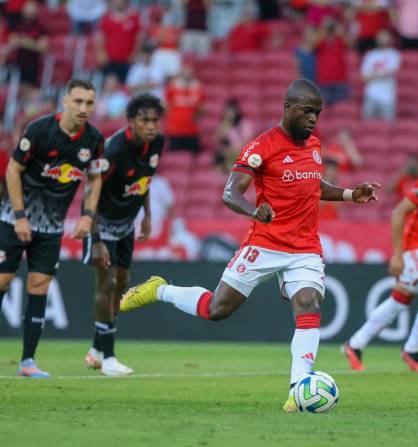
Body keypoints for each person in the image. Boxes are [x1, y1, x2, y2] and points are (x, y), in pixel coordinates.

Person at [119, 79, 380, 410]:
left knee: (309, 303)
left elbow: (313, 184)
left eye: (317, 113)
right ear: (288, 108)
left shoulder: (314, 145)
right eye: (307, 111)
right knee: (217, 309)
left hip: (304, 248)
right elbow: (230, 192)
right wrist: (254, 211)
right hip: (265, 243)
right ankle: (160, 290)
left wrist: (350, 194)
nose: (313, 119)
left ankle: (298, 389)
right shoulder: (262, 147)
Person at [0, 79, 104, 378]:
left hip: (51, 226)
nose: (84, 108)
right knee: (2, 281)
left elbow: (95, 178)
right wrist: (20, 215)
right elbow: (13, 169)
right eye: (78, 101)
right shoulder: (40, 130)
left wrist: (87, 216)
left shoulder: (94, 140)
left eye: (89, 103)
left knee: (39, 287)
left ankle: (27, 362)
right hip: (12, 220)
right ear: (65, 102)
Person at [82, 93, 165, 376]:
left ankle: (96, 348)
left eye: (155, 120)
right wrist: (95, 239)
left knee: (123, 283)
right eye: (144, 120)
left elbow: (144, 181)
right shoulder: (114, 150)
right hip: (102, 223)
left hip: (127, 224)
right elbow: (91, 190)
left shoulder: (157, 143)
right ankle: (108, 358)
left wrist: (147, 215)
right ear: (130, 121)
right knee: (106, 284)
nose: (151, 126)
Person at [343, 166, 418, 373]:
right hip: (417, 247)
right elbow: (399, 211)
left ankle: (355, 344)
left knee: (399, 300)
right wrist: (398, 255)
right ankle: (412, 350)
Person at [164, 65, 205, 154]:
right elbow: (166, 106)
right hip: (175, 130)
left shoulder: (199, 88)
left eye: (189, 72)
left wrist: (197, 115)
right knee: (173, 156)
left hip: (192, 130)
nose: (187, 74)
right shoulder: (172, 87)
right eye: (185, 72)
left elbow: (203, 107)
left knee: (194, 156)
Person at [360, 30, 401, 120]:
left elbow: (387, 73)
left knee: (389, 126)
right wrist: (379, 73)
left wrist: (372, 74)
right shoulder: (370, 55)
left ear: (390, 39)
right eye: (380, 37)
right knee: (367, 125)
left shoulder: (394, 54)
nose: (382, 39)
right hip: (370, 96)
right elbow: (363, 77)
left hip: (388, 98)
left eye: (385, 37)